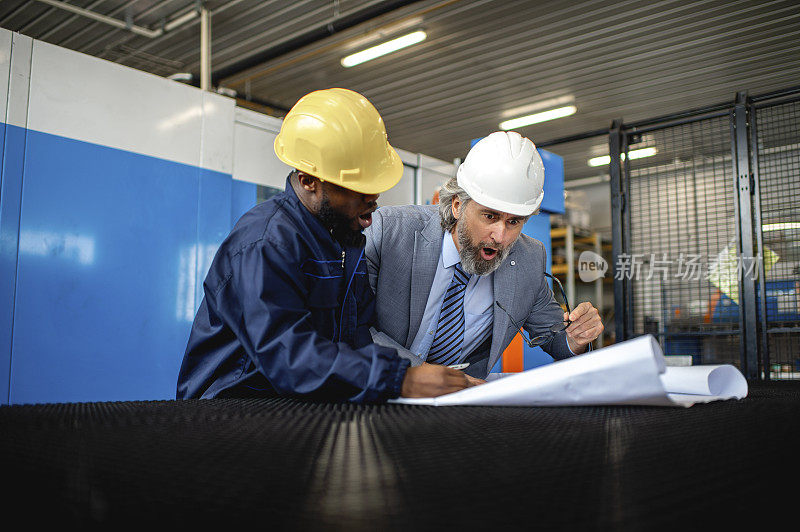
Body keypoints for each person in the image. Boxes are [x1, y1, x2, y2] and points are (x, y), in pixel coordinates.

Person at [176, 88, 473, 402]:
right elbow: (286, 353)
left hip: (298, 405)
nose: (372, 201)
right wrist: (399, 378)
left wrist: (410, 375)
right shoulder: (266, 242)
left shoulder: (344, 240)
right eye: (357, 188)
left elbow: (358, 335)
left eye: (374, 187)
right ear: (308, 181)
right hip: (231, 408)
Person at [365, 131, 604, 379]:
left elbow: (554, 338)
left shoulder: (528, 258)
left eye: (514, 221)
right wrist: (418, 374)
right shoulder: (390, 232)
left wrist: (577, 338)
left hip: (461, 403)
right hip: (382, 389)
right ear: (458, 205)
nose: (500, 236)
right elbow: (351, 329)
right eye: (490, 216)